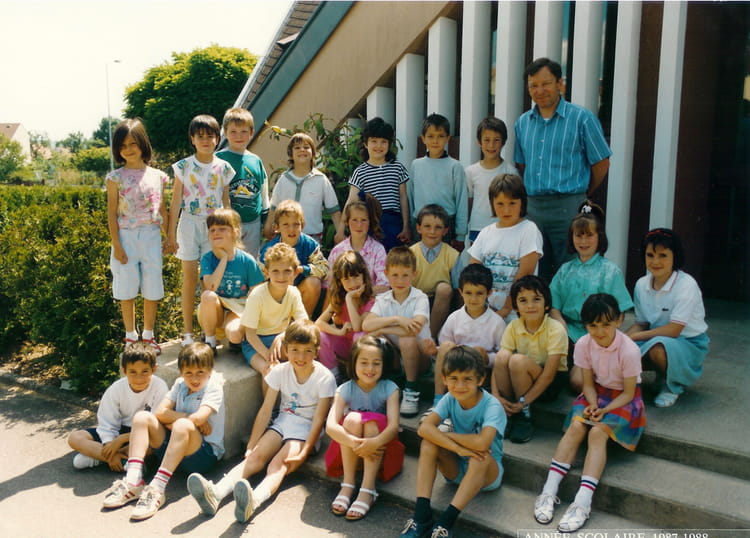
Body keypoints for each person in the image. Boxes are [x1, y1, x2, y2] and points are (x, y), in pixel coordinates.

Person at [186, 320, 336, 523]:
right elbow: (266, 410)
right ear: (286, 349)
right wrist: (251, 444)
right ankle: (216, 493)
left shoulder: (324, 378)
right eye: (295, 350)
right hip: (283, 423)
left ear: (316, 351)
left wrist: (305, 451)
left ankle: (254, 500)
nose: (301, 357)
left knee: (278, 464)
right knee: (255, 457)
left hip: (305, 431)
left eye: (307, 351)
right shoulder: (280, 371)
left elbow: (319, 419)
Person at [534, 294, 645, 533]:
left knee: (597, 433)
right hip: (596, 393)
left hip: (624, 399)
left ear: (619, 320)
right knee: (576, 426)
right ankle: (548, 491)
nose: (599, 331)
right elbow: (587, 384)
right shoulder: (584, 343)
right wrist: (593, 404)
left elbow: (629, 393)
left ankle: (582, 503)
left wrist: (605, 410)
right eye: (593, 325)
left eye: (606, 324)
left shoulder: (629, 350)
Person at [514, 57, 612, 282]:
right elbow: (523, 164)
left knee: (571, 269)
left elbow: (601, 162)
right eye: (533, 85)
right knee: (536, 271)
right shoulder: (523, 123)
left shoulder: (581, 118)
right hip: (534, 208)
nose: (540, 90)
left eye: (546, 83)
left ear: (560, 83)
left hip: (568, 206)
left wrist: (582, 192)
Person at [102, 342, 225, 521]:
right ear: (181, 372)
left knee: (182, 425)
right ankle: (133, 481)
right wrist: (181, 420)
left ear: (210, 370)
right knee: (142, 418)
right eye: (188, 373)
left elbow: (198, 419)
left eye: (200, 372)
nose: (194, 378)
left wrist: (176, 421)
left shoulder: (214, 387)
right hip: (176, 450)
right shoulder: (180, 384)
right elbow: (160, 413)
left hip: (203, 456)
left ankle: (157, 489)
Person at [400, 346, 506, 538]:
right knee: (428, 443)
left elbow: (482, 443)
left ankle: (445, 522)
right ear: (444, 379)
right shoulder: (450, 398)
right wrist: (458, 448)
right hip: (456, 468)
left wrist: (446, 436)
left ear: (480, 379)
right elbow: (424, 428)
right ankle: (422, 516)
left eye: (467, 379)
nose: (460, 385)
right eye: (454, 378)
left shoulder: (492, 406)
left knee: (480, 456)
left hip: (486, 474)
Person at [549, 201, 633, 390]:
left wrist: (603, 333)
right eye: (579, 235)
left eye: (589, 235)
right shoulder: (565, 270)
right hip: (569, 333)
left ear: (599, 237)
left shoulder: (610, 271)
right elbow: (554, 306)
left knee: (577, 383)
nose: (584, 241)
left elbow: (619, 312)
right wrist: (561, 325)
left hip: (597, 334)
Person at [166, 115, 235, 347]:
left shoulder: (224, 167)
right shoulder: (183, 166)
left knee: (209, 282)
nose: (205, 140)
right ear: (192, 139)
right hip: (188, 225)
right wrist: (170, 234)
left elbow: (226, 202)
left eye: (210, 136)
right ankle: (187, 333)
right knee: (189, 280)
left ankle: (209, 333)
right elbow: (175, 201)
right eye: (200, 136)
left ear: (218, 138)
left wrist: (230, 232)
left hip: (213, 228)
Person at [626, 228, 709, 408]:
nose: (655, 262)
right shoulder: (641, 284)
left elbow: (674, 330)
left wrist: (636, 337)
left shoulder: (686, 285)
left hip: (688, 343)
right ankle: (663, 373)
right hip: (655, 338)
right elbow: (641, 323)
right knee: (622, 350)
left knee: (658, 349)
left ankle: (672, 386)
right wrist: (621, 340)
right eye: (650, 255)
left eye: (663, 255)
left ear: (675, 256)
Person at [106, 118, 168, 353]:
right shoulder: (115, 178)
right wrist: (117, 245)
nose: (128, 149)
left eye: (133, 143)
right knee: (127, 286)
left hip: (151, 235)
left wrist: (170, 238)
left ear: (143, 143)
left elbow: (162, 210)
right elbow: (112, 213)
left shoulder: (158, 176)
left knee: (152, 285)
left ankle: (148, 335)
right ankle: (131, 336)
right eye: (122, 146)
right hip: (126, 237)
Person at [326, 336, 401, 521]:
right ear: (354, 363)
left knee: (372, 423)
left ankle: (368, 489)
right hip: (352, 451)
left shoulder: (390, 388)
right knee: (351, 419)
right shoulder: (345, 389)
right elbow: (330, 426)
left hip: (380, 450)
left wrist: (373, 443)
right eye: (364, 362)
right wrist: (356, 443)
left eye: (376, 363)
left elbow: (393, 427)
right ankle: (348, 484)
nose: (370, 369)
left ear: (383, 365)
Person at [491, 276, 568, 444]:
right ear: (516, 306)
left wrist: (523, 402)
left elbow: (549, 375)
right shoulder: (513, 326)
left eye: (536, 299)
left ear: (546, 304)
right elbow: (498, 364)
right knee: (502, 356)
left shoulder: (556, 329)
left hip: (550, 383)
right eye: (523, 300)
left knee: (517, 360)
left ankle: (523, 415)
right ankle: (507, 410)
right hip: (522, 378)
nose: (530, 305)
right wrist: (496, 396)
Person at [68, 342, 168, 470]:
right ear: (124, 371)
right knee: (75, 438)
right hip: (119, 430)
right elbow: (107, 423)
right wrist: (110, 443)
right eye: (133, 372)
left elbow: (157, 428)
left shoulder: (160, 387)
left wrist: (121, 440)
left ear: (154, 369)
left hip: (144, 435)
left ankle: (100, 457)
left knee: (153, 445)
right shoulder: (116, 389)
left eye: (145, 371)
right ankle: (120, 460)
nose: (139, 378)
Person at [362, 247, 437, 417]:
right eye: (395, 275)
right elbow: (366, 325)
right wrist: (396, 319)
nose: (400, 280)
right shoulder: (383, 299)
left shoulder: (420, 298)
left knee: (406, 339)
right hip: (396, 357)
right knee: (371, 337)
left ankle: (411, 389)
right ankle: (391, 382)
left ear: (414, 274)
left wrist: (382, 328)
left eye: (405, 275)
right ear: (386, 274)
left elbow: (414, 328)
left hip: (421, 357)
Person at [427, 264, 506, 418]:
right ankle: (438, 400)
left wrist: (486, 357)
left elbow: (502, 355)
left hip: (480, 373)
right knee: (446, 346)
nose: (473, 298)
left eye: (479, 293)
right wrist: (434, 351)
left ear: (489, 293)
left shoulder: (497, 322)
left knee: (477, 352)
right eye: (468, 293)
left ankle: (465, 407)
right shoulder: (454, 318)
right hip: (455, 368)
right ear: (461, 292)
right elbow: (444, 347)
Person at [468, 173, 543, 321]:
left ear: (522, 203)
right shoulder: (485, 233)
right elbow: (473, 272)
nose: (506, 210)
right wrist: (482, 308)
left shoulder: (529, 230)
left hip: (516, 309)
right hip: (485, 308)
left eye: (512, 203)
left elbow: (524, 276)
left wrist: (506, 309)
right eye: (500, 204)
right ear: (492, 203)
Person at [336, 117, 410, 251]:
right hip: (371, 224)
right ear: (366, 144)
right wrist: (341, 229)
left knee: (393, 259)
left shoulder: (397, 168)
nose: (378, 146)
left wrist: (406, 226)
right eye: (374, 141)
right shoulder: (360, 171)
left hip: (394, 223)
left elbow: (403, 198)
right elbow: (351, 201)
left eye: (383, 142)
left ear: (389, 144)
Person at [197, 208, 264, 353]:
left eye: (222, 229)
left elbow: (258, 293)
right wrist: (224, 259)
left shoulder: (246, 260)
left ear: (235, 232)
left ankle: (237, 338)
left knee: (234, 335)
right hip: (214, 310)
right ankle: (210, 342)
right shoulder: (208, 259)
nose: (216, 233)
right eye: (212, 230)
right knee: (208, 296)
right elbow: (211, 286)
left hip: (237, 308)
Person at [240, 242, 308, 377]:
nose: (281, 277)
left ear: (295, 273)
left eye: (287, 271)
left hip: (280, 338)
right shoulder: (257, 295)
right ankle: (268, 392)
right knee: (270, 371)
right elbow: (250, 334)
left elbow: (304, 322)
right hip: (255, 343)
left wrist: (282, 335)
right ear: (266, 273)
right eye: (275, 271)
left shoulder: (293, 292)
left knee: (300, 362)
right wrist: (269, 356)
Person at [264, 132, 341, 244]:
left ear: (313, 153)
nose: (302, 150)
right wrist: (268, 225)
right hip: (286, 236)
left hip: (312, 237)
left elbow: (334, 210)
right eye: (297, 148)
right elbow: (274, 206)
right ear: (291, 154)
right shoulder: (284, 179)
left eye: (306, 147)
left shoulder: (320, 179)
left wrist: (340, 232)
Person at [407, 113, 468, 250]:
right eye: (430, 136)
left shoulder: (455, 166)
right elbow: (411, 197)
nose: (435, 141)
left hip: (446, 224)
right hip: (420, 223)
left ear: (448, 138)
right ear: (423, 138)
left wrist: (460, 235)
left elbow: (461, 201)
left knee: (446, 261)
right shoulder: (416, 165)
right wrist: (411, 226)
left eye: (440, 136)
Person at [260, 199, 328, 316]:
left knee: (314, 282)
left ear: (302, 225)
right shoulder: (269, 249)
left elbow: (324, 268)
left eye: (296, 224)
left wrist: (303, 269)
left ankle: (303, 321)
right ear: (277, 227)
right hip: (276, 293)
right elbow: (259, 276)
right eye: (286, 225)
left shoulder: (310, 245)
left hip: (300, 291)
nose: (291, 230)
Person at [216, 107, 269, 258]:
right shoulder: (219, 159)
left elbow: (263, 191)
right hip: (227, 223)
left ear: (251, 133)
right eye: (233, 131)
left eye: (244, 131)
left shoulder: (255, 160)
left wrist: (265, 218)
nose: (239, 136)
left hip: (253, 222)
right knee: (227, 259)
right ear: (225, 132)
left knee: (250, 260)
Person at [316, 251, 375, 381]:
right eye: (346, 279)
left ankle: (359, 376)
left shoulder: (370, 301)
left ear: (364, 276)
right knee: (321, 335)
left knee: (359, 336)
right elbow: (319, 323)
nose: (352, 283)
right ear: (340, 282)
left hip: (361, 347)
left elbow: (357, 327)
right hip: (344, 344)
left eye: (356, 277)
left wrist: (349, 299)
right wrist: (339, 331)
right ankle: (333, 375)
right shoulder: (339, 299)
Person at [465, 116, 519, 243]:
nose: (491, 145)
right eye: (486, 140)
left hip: (504, 228)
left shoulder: (511, 172)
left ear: (503, 142)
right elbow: (468, 203)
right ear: (479, 142)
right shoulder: (471, 172)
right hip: (478, 228)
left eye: (496, 140)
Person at [409, 204, 459, 339]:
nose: (432, 231)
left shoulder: (452, 255)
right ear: (418, 228)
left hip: (442, 303)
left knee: (444, 288)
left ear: (445, 230)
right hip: (415, 301)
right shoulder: (411, 253)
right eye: (427, 226)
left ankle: (429, 338)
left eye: (438, 227)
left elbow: (458, 290)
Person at [328, 192, 389, 294]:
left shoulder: (378, 250)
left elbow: (385, 286)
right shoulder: (337, 251)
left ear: (370, 222)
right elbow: (330, 285)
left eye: (364, 220)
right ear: (347, 222)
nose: (359, 225)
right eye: (354, 220)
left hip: (371, 300)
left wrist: (359, 294)